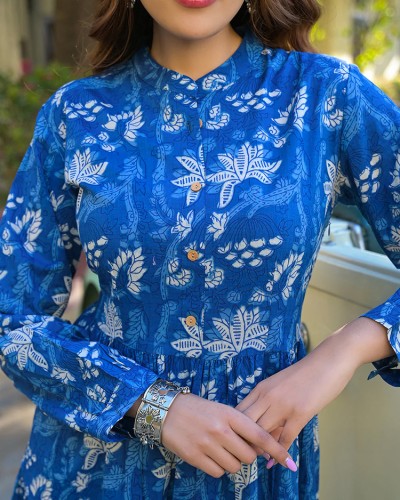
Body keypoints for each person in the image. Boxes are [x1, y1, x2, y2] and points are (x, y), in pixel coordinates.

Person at [0, 0, 399, 498]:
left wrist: (348, 347)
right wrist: (151, 406)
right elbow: (11, 314)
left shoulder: (326, 96)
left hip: (252, 459)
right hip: (95, 464)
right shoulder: (75, 113)